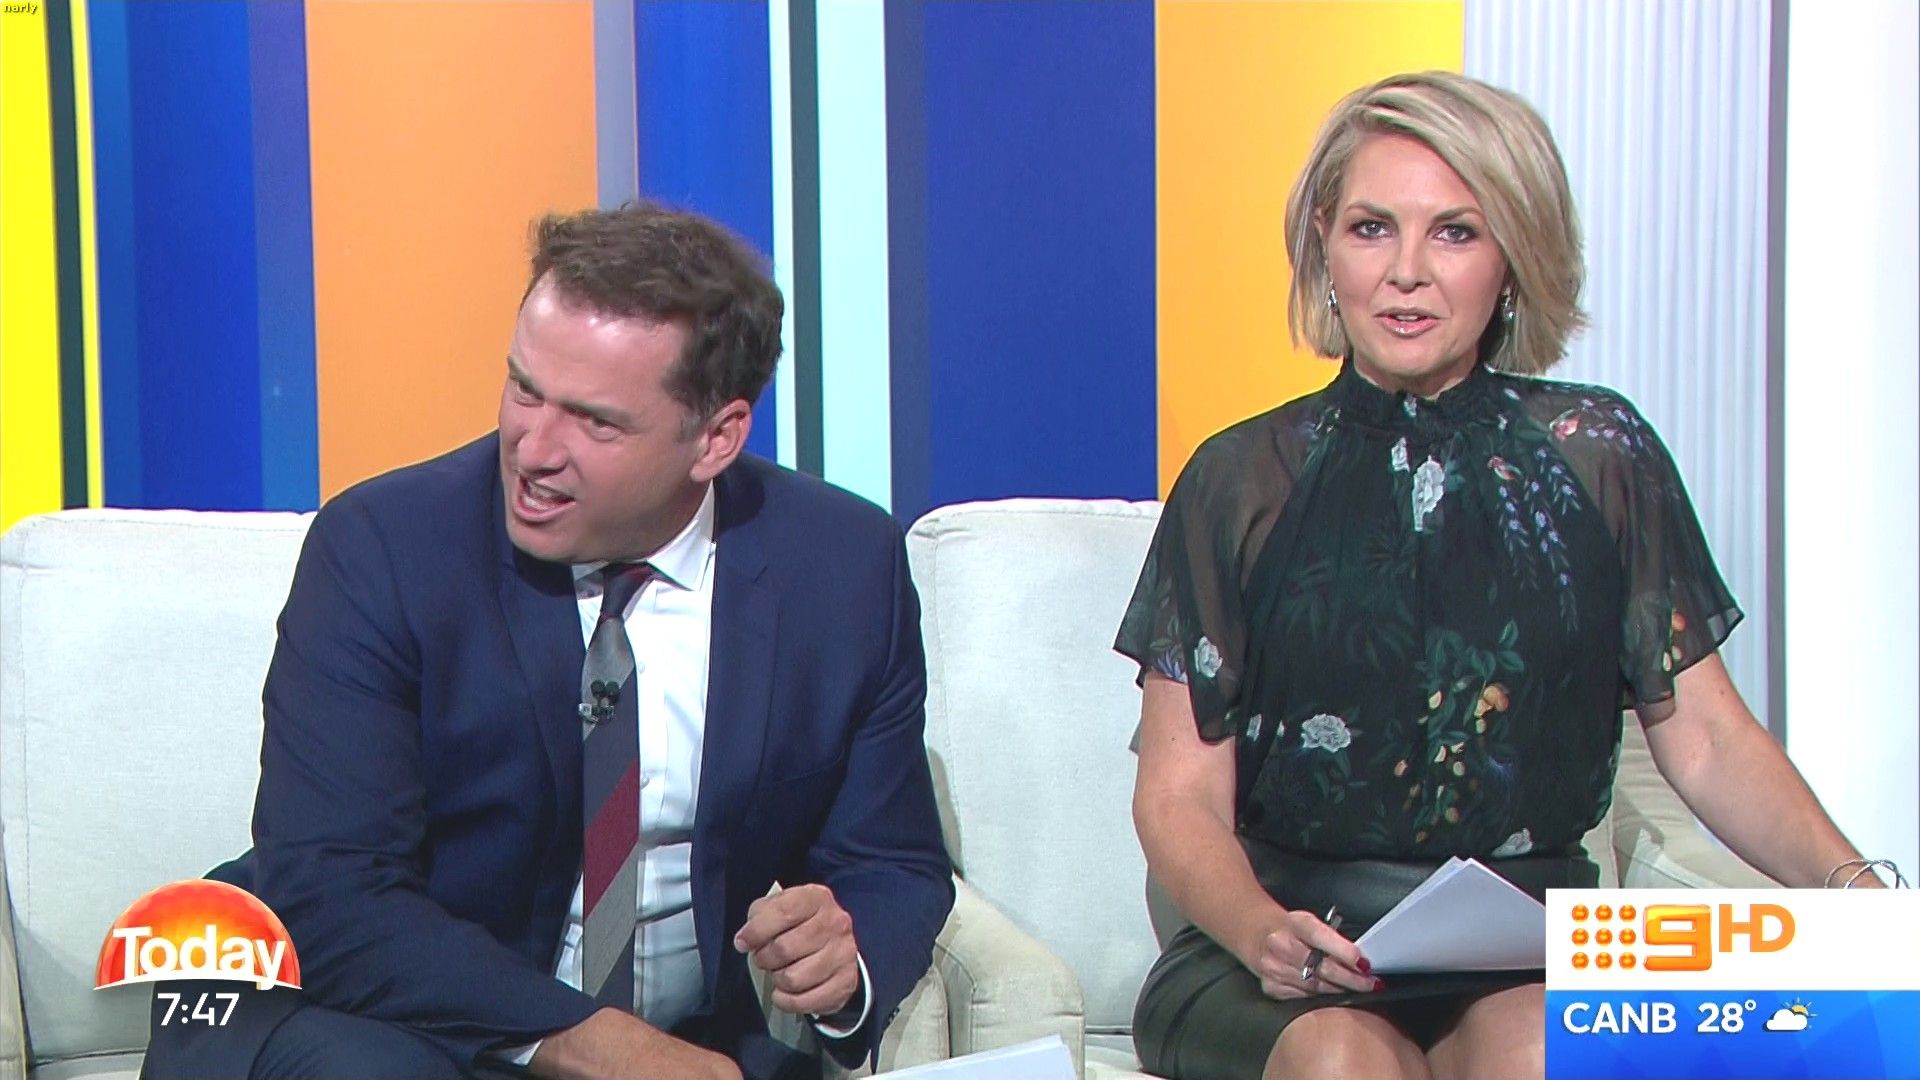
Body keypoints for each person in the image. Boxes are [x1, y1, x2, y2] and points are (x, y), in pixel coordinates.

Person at [1116, 71, 1892, 1080]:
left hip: (1526, 946)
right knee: (1344, 1061)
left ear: (1513, 259)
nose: (1406, 272)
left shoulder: (1600, 457)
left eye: (1454, 233)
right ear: (1324, 246)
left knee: (1537, 1050)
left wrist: (1854, 894)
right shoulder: (1240, 480)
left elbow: (1706, 739)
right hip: (1287, 949)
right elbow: (1177, 794)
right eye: (1371, 229)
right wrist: (1260, 928)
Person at [141, 203, 954, 1080]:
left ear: (715, 438)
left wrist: (844, 964)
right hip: (373, 1018)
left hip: (685, 1051)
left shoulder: (840, 569)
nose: (533, 450)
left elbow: (890, 861)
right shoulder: (384, 548)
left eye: (595, 421)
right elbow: (330, 891)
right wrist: (599, 1045)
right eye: (525, 389)